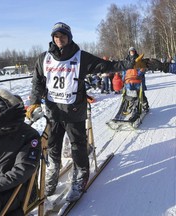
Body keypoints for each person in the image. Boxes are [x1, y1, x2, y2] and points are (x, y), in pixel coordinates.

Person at [25, 22, 134, 202]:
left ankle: (81, 176)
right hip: (53, 111)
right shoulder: (43, 58)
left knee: (78, 146)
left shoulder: (80, 57)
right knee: (53, 145)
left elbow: (106, 66)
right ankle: (52, 174)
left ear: (69, 37)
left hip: (74, 111)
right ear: (52, 38)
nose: (60, 39)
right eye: (56, 36)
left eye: (63, 36)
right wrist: (34, 103)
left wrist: (130, 63)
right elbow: (37, 82)